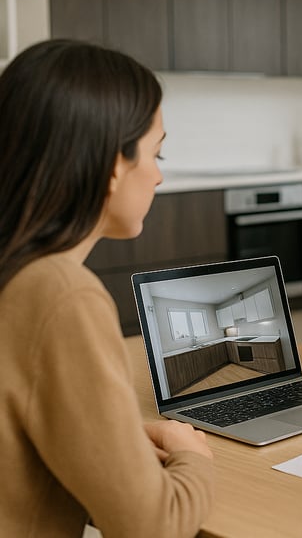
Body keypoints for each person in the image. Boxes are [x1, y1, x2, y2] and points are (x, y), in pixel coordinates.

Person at [0, 40, 214, 537]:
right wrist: (192, 455)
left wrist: (116, 442)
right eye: (157, 153)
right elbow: (155, 526)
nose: (158, 176)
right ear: (114, 163)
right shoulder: (62, 294)